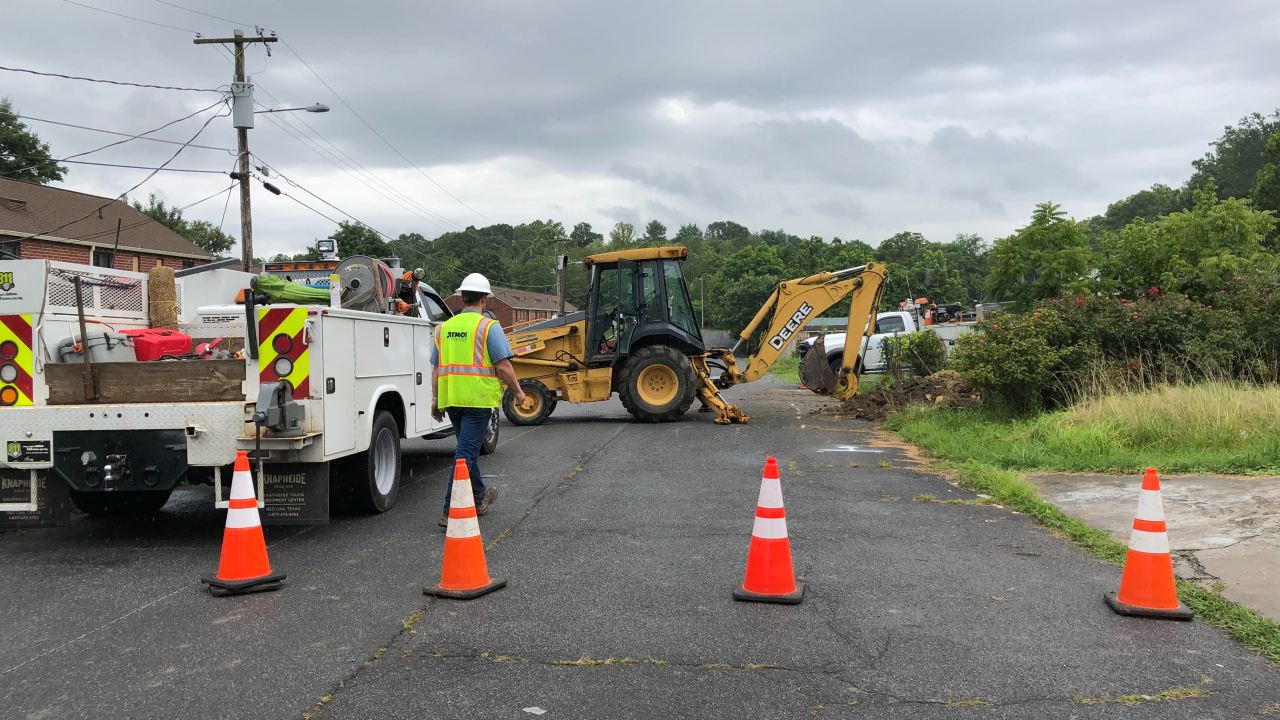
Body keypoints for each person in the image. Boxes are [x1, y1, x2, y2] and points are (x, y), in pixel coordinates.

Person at [431, 273, 527, 528]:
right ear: (484, 299)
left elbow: (436, 368)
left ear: (462, 298)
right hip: (478, 400)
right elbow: (503, 365)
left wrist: (435, 399)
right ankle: (449, 510)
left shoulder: (443, 328)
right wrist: (518, 391)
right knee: (464, 455)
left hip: (452, 400)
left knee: (467, 450)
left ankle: (480, 497)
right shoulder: (488, 327)